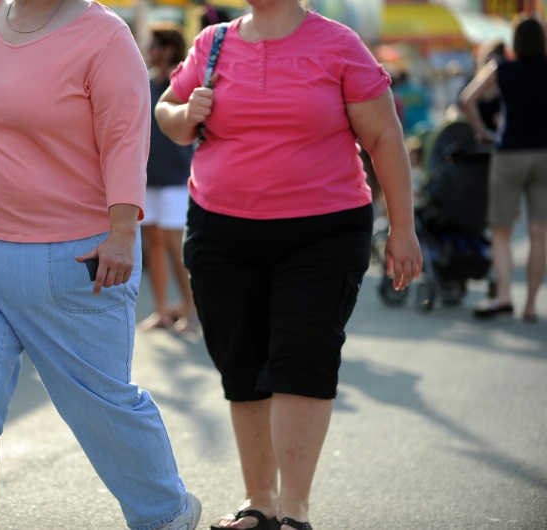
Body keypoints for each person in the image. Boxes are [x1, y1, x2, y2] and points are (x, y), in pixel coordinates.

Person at [0, 1, 199, 529]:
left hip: (69, 259)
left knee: (102, 407)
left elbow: (125, 138)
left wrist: (123, 232)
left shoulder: (105, 35)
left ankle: (165, 515)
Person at [155, 0, 422, 529]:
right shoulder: (214, 44)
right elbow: (168, 112)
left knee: (302, 357)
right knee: (242, 362)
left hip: (321, 233)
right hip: (221, 230)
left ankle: (295, 510)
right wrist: (187, 114)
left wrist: (404, 228)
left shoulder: (340, 45)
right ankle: (261, 503)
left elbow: (385, 137)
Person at [461, 16, 547, 323]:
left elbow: (467, 98)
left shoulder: (502, 68)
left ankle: (504, 296)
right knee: (540, 233)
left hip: (509, 152)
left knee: (501, 232)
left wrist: (483, 131)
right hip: (544, 155)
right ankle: (531, 305)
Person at [141, 21, 197, 332]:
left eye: (154, 45)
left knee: (177, 247)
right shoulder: (146, 83)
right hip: (147, 177)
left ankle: (190, 310)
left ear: (169, 49)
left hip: (177, 178)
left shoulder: (183, 84)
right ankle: (161, 311)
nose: (149, 51)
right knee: (154, 244)